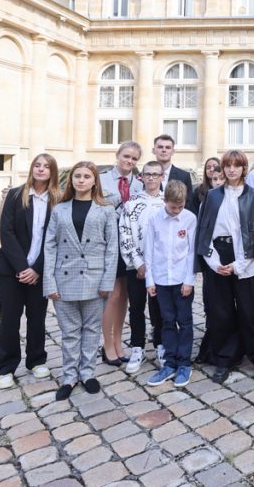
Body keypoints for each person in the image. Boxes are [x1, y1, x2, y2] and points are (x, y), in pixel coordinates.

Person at [44, 161, 118, 401]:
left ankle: (87, 373)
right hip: (64, 277)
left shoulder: (106, 209)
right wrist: (49, 283)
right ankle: (69, 376)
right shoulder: (60, 209)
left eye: (87, 176)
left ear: (95, 180)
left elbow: (112, 249)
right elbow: (50, 246)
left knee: (91, 329)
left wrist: (108, 281)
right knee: (69, 332)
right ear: (71, 179)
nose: (82, 180)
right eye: (77, 176)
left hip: (95, 279)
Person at [196, 150, 254, 383]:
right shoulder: (213, 195)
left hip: (245, 258)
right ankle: (224, 358)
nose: (231, 170)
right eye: (227, 165)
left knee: (250, 311)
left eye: (236, 166)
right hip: (218, 256)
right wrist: (215, 262)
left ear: (243, 168)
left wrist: (239, 265)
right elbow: (204, 231)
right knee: (221, 312)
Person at [0, 153, 61, 389]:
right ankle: (5, 368)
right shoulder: (15, 195)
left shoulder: (58, 200)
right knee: (10, 320)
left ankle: (36, 360)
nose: (41, 169)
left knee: (37, 317)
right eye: (37, 165)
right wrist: (22, 267)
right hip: (11, 271)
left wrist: (37, 269)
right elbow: (6, 233)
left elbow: (55, 240)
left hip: (40, 272)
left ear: (52, 172)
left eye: (46, 167)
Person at [144, 181, 197, 388]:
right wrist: (150, 280)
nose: (176, 211)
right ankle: (170, 362)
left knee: (184, 321)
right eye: (173, 207)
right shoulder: (155, 219)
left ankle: (184, 363)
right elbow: (149, 251)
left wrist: (189, 281)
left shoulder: (190, 219)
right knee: (166, 321)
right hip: (161, 279)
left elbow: (192, 252)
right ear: (164, 201)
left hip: (181, 280)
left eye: (180, 207)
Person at [118, 160, 167, 374]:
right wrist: (138, 263)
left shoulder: (168, 202)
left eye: (156, 174)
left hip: (161, 268)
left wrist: (157, 265)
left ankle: (161, 346)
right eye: (148, 174)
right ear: (142, 177)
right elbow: (125, 234)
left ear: (162, 177)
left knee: (159, 309)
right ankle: (137, 347)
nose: (152, 178)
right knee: (136, 308)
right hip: (136, 267)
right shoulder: (131, 204)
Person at [99, 141, 144, 367]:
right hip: (108, 242)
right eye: (126, 156)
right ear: (118, 155)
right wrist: (120, 199)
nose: (129, 161)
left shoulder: (140, 183)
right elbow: (97, 205)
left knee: (125, 295)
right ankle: (107, 344)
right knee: (113, 295)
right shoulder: (103, 179)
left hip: (130, 243)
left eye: (134, 159)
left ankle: (118, 342)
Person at [153, 134, 196, 213]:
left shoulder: (184, 176)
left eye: (168, 147)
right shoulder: (145, 176)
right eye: (160, 147)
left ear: (173, 152)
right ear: (154, 150)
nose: (164, 150)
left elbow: (188, 204)